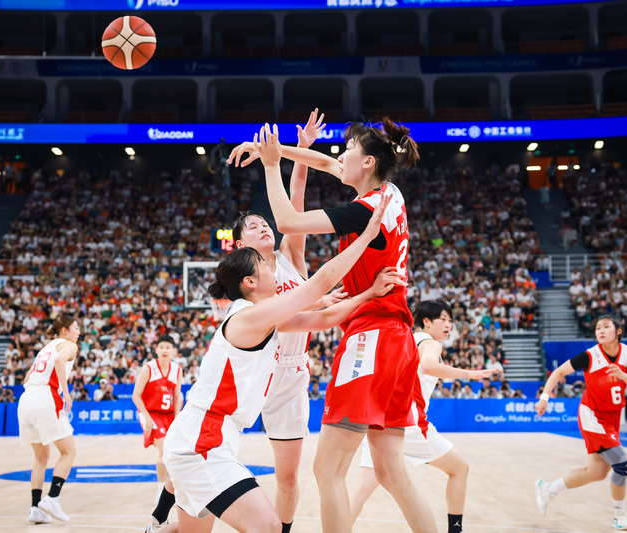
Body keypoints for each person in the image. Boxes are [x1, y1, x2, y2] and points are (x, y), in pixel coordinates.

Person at [156, 191, 403, 533]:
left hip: (212, 436)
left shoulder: (263, 317)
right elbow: (319, 285)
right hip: (204, 439)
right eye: (262, 267)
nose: (274, 272)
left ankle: (156, 525)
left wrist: (368, 293)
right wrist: (366, 236)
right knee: (269, 527)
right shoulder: (250, 317)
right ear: (251, 282)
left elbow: (322, 318)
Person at [229, 119, 432, 533]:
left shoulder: (364, 208)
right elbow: (323, 160)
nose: (339, 157)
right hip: (397, 338)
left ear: (368, 161)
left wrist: (270, 166)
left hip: (371, 335)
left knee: (327, 471)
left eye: (348, 150)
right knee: (391, 472)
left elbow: (286, 220)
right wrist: (281, 150)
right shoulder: (389, 192)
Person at [231, 109, 336, 533]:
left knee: (289, 477)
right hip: (250, 372)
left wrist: (303, 151)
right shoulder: (242, 281)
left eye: (264, 223)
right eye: (253, 226)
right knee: (208, 453)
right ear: (239, 243)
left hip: (291, 377)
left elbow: (297, 201)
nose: (263, 227)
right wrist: (325, 304)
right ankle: (170, 512)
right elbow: (287, 321)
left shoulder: (291, 258)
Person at [350, 300, 492, 533]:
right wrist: (469, 373)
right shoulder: (431, 343)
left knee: (364, 486)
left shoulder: (403, 338)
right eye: (443, 319)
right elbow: (427, 366)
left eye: (450, 320)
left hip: (379, 418)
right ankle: (455, 530)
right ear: (426, 321)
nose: (448, 324)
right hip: (409, 422)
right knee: (460, 469)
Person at [535, 315, 627, 531]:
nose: (601, 331)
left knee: (597, 472)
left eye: (606, 327)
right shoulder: (590, 356)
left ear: (619, 331)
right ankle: (619, 514)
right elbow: (558, 372)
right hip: (592, 415)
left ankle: (548, 489)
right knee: (623, 465)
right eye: (597, 328)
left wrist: (625, 377)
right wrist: (544, 397)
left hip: (613, 417)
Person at [17, 315, 79, 524]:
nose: (78, 332)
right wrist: (67, 393)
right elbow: (61, 361)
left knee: (41, 458)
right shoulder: (68, 345)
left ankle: (35, 508)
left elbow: (26, 379)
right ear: (64, 331)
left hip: (26, 400)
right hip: (46, 398)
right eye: (75, 328)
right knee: (68, 452)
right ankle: (53, 498)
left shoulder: (45, 348)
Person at [133, 335, 183, 530]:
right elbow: (136, 395)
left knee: (175, 453)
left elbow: (177, 396)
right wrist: (146, 417)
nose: (164, 349)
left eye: (168, 347)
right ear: (156, 349)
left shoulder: (177, 369)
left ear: (173, 350)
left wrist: (177, 419)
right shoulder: (148, 368)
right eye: (161, 346)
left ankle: (169, 490)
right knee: (163, 450)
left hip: (169, 416)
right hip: (150, 413)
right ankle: (160, 491)